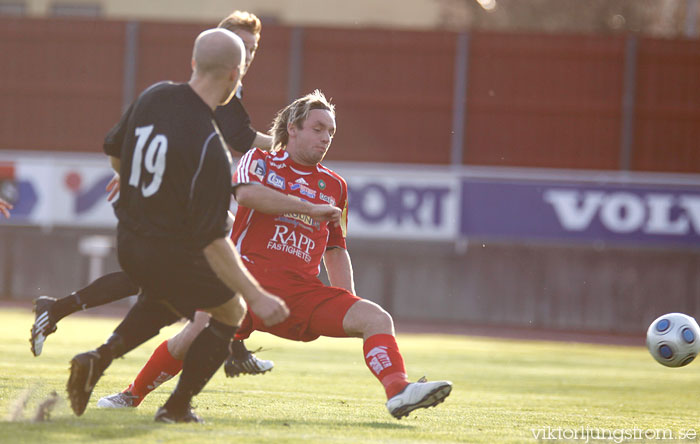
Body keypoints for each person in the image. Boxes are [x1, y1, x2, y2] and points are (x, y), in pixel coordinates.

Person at [101, 90, 453, 419]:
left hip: (301, 294)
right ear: (292, 129)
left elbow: (335, 248)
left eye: (331, 131)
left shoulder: (335, 186)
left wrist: (347, 299)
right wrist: (308, 207)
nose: (326, 137)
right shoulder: (260, 160)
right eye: (317, 128)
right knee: (191, 336)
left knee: (376, 318)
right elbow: (247, 196)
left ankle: (398, 391)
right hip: (244, 285)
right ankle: (131, 396)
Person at [30, 11, 276, 382]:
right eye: (242, 46)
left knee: (158, 282)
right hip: (188, 196)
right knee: (203, 280)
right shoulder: (219, 84)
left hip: (179, 195)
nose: (248, 54)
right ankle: (181, 382)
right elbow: (238, 139)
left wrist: (140, 172)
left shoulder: (180, 91)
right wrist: (288, 146)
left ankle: (76, 329)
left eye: (253, 48)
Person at [66, 28, 292, 423]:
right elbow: (213, 241)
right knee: (229, 310)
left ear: (193, 63)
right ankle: (176, 407)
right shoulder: (210, 148)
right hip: (169, 250)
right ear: (235, 76)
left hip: (129, 241)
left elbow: (114, 151)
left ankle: (96, 360)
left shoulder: (154, 95)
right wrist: (256, 297)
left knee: (165, 300)